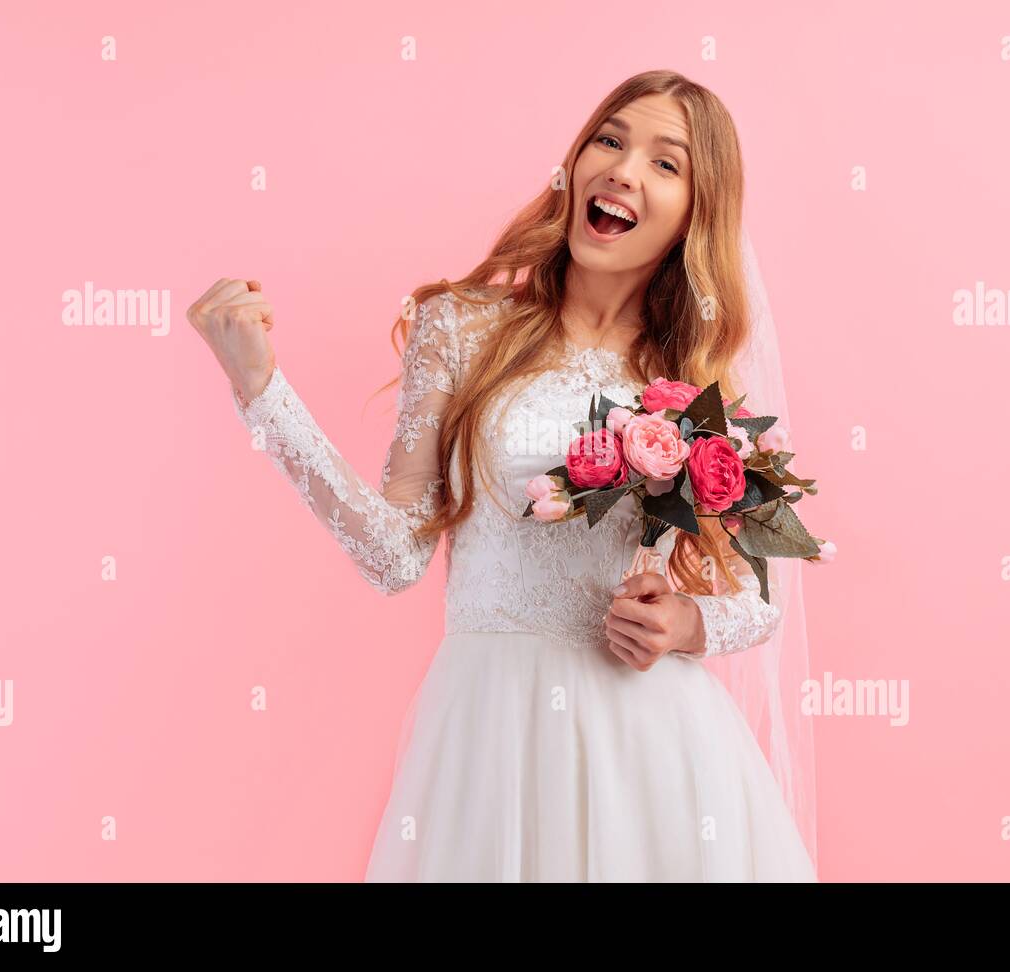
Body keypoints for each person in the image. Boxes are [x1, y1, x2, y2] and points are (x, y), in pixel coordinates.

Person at [189, 70, 818, 881]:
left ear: (698, 216)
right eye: (611, 139)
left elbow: (758, 600)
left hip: (653, 748)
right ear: (576, 162)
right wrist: (263, 392)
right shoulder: (459, 326)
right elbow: (393, 555)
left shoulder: (690, 382)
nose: (625, 170)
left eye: (668, 164)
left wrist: (687, 626)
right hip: (491, 736)